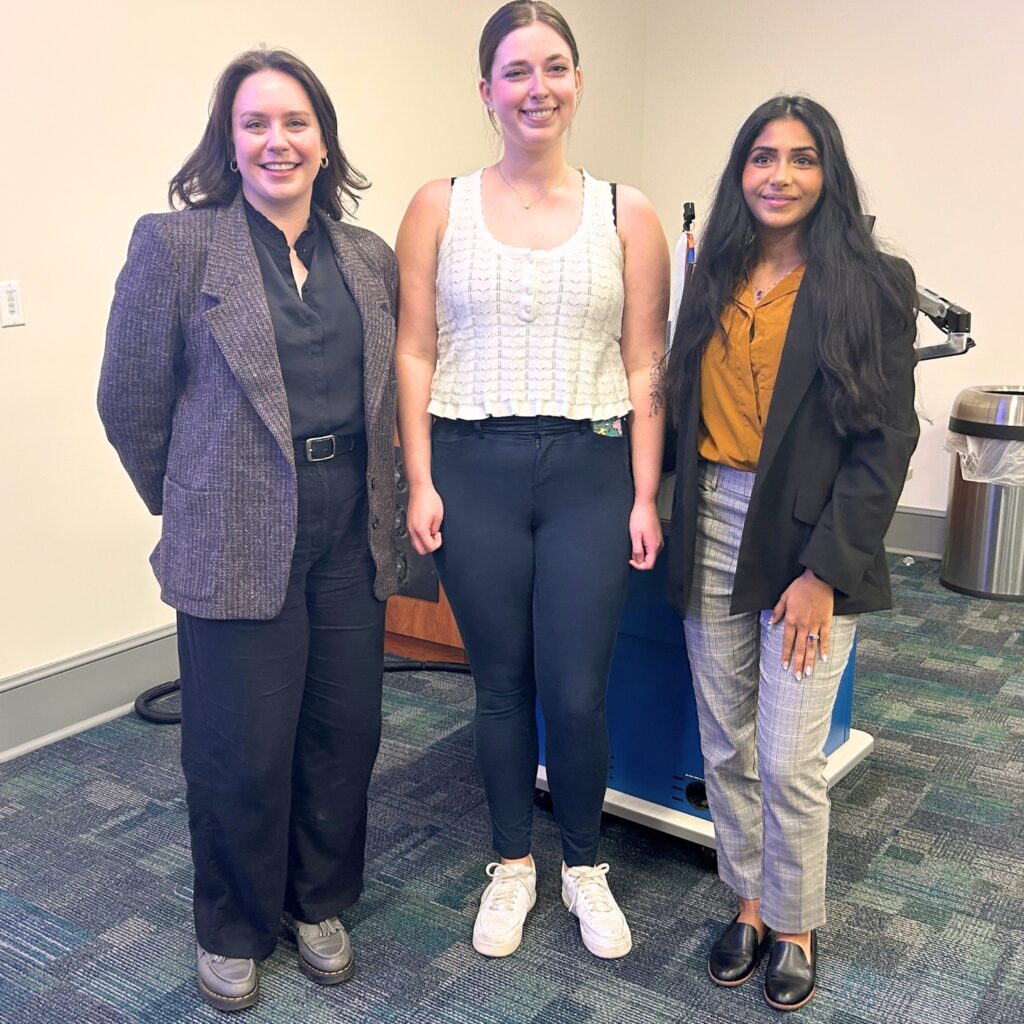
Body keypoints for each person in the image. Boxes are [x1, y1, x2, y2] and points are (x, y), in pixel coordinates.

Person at [98, 49, 399, 1013]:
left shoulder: (367, 257)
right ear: (228, 142)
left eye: (296, 122)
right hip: (233, 531)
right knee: (239, 741)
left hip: (351, 527)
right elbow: (129, 402)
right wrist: (188, 495)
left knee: (342, 730)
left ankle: (316, 903)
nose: (278, 141)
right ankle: (232, 924)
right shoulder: (178, 247)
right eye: (256, 124)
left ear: (325, 139)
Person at [396, 0, 668, 962]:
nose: (536, 87)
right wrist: (419, 481)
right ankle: (513, 864)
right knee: (501, 686)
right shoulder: (439, 205)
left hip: (591, 471)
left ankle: (583, 868)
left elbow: (644, 366)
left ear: (579, 82)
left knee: (578, 691)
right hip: (472, 471)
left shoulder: (625, 213)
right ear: (486, 91)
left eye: (554, 67)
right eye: (515, 71)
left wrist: (642, 494)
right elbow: (416, 350)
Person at [664, 96, 919, 1010]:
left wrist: (824, 573)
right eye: (762, 157)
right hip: (708, 515)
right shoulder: (713, 270)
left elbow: (886, 443)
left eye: (802, 159)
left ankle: (798, 919)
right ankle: (751, 898)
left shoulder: (874, 283)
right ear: (741, 173)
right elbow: (678, 405)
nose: (780, 176)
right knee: (726, 737)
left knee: (787, 754)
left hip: (807, 539)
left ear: (828, 174)